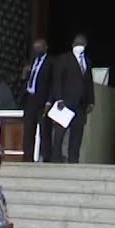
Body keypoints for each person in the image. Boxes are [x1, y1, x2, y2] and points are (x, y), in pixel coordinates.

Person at [49, 34, 95, 164]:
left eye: (82, 44)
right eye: (77, 44)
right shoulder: (64, 59)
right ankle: (56, 158)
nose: (79, 46)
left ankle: (73, 159)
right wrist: (59, 99)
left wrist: (91, 101)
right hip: (65, 102)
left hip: (81, 104)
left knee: (77, 133)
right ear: (72, 45)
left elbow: (89, 82)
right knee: (60, 132)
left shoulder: (87, 61)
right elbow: (57, 80)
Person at [19, 38, 54, 163]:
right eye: (35, 48)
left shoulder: (51, 62)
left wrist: (49, 102)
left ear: (45, 47)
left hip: (43, 101)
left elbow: (53, 84)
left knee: (45, 130)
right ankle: (27, 157)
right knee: (28, 130)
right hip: (30, 99)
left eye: (39, 47)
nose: (37, 50)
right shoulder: (32, 62)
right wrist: (24, 75)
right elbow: (26, 81)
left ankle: (46, 158)